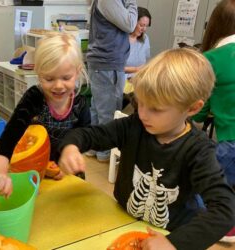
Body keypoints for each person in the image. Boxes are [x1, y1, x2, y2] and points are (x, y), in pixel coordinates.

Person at [58, 48, 235, 249]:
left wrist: (174, 244)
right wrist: (71, 146)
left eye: (156, 109)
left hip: (172, 234)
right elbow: (90, 135)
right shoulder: (133, 126)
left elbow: (225, 210)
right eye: (139, 103)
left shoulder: (199, 150)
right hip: (122, 221)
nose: (142, 114)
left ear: (192, 108)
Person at [0, 33, 91, 197]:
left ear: (77, 72)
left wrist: (70, 157)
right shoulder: (34, 97)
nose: (58, 86)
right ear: (38, 72)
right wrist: (0, 167)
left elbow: (84, 135)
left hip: (68, 172)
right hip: (35, 172)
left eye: (66, 78)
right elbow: (12, 131)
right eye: (49, 79)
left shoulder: (81, 103)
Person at [192, 0, 235, 242]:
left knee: (201, 185)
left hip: (232, 139)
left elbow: (198, 111)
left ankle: (222, 228)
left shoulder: (212, 58)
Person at [86, 0, 138, 162]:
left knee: (98, 107)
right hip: (107, 63)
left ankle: (94, 147)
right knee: (108, 110)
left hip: (104, 63)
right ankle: (104, 152)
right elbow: (130, 24)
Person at [124, 6, 151, 79]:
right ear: (133, 22)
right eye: (141, 25)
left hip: (139, 81)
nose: (144, 29)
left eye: (146, 26)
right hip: (122, 81)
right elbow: (113, 67)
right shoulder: (121, 38)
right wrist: (136, 69)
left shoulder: (145, 39)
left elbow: (146, 62)